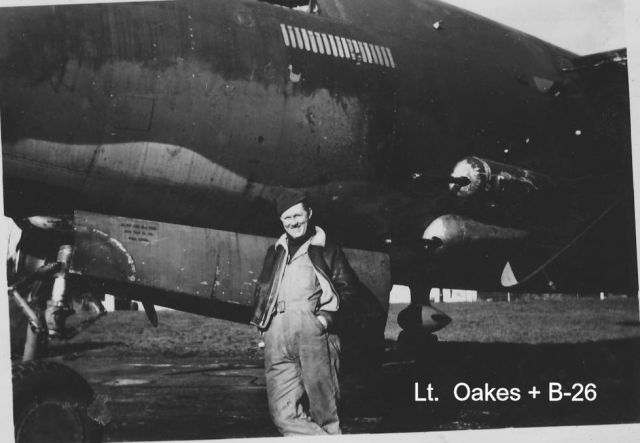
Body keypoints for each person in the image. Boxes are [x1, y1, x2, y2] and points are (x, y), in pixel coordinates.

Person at [251, 190, 358, 435]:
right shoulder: (275, 251)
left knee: (326, 415)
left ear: (309, 214)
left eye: (298, 216)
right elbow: (262, 290)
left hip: (314, 336)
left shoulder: (327, 249)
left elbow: (349, 290)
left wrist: (323, 321)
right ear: (281, 221)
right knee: (283, 415)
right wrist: (264, 329)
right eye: (287, 218)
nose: (294, 222)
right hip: (277, 338)